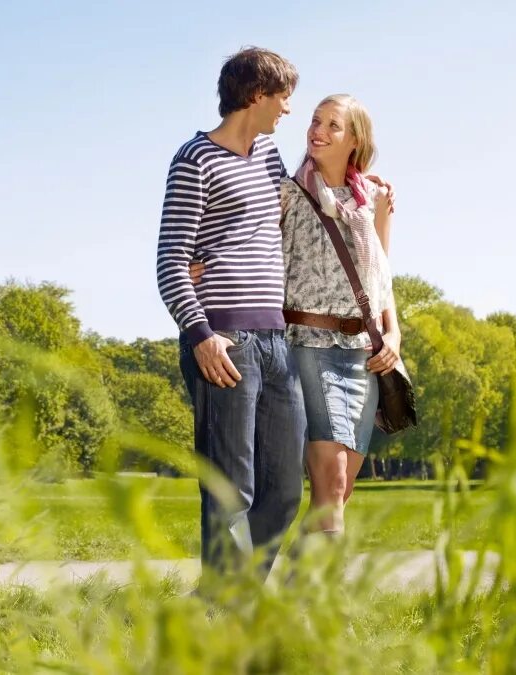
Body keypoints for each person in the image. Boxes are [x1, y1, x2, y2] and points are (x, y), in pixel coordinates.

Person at [191, 93, 401, 539]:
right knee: (333, 483)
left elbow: (380, 276)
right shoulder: (285, 192)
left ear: (356, 140)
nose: (317, 131)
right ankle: (320, 602)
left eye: (332, 126)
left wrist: (393, 333)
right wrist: (202, 259)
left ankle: (286, 591)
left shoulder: (374, 198)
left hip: (364, 353)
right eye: (315, 121)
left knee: (340, 493)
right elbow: (240, 227)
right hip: (307, 345)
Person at [155, 47, 306, 580]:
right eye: (283, 96)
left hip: (275, 339)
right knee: (230, 486)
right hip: (222, 339)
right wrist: (201, 335)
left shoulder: (268, 156)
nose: (288, 108)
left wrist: (366, 185)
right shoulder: (195, 158)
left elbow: (293, 209)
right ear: (255, 95)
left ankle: (236, 592)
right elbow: (171, 261)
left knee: (285, 485)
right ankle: (230, 611)